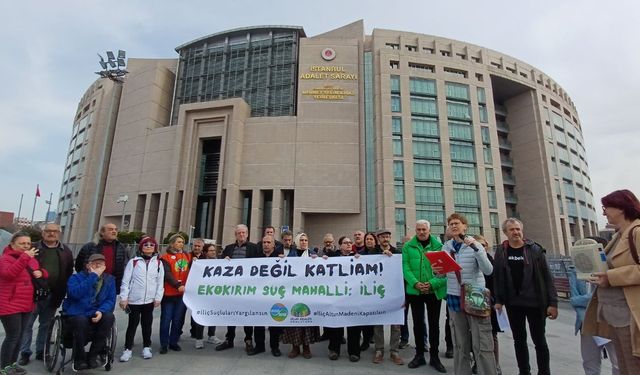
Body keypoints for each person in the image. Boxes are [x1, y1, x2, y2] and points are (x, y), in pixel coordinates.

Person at [584, 189, 640, 372]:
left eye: (606, 207)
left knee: (632, 366)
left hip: (630, 316)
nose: (603, 212)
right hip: (614, 315)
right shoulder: (618, 235)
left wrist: (611, 278)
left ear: (621, 208)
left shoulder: (637, 232)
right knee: (624, 366)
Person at [494, 218, 558, 375]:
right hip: (513, 304)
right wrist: (499, 300)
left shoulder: (534, 250)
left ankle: (544, 372)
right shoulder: (501, 251)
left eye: (518, 229)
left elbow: (547, 277)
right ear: (505, 233)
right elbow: (498, 276)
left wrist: (553, 303)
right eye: (512, 230)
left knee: (539, 341)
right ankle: (524, 371)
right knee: (519, 340)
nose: (516, 232)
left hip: (536, 303)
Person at [439, 213, 496, 375]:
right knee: (460, 342)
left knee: (482, 342)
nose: (454, 226)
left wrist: (477, 249)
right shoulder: (446, 247)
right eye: (451, 224)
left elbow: (488, 270)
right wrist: (437, 271)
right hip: (454, 296)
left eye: (457, 223)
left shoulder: (475, 244)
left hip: (475, 296)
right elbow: (442, 274)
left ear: (465, 226)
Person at [19, 223, 73, 366]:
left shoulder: (65, 251)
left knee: (46, 325)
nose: (51, 233)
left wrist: (63, 292)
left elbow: (68, 272)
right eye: (48, 231)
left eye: (54, 231)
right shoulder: (33, 248)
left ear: (59, 233)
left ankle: (41, 351)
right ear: (43, 233)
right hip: (32, 294)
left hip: (53, 294)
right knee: (27, 325)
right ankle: (25, 352)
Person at [402, 219, 447, 372]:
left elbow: (444, 270)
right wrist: (415, 283)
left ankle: (434, 356)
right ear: (415, 230)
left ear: (429, 230)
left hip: (433, 291)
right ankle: (419, 354)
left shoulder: (439, 246)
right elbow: (405, 267)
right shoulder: (408, 246)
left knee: (434, 324)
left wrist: (432, 283)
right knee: (418, 323)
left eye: (424, 230)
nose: (421, 232)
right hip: (415, 292)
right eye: (419, 229)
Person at [1, 232, 48, 375]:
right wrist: (25, 257)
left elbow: (38, 272)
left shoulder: (31, 259)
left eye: (28, 244)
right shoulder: (5, 259)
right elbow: (9, 274)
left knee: (20, 335)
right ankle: (4, 367)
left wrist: (42, 272)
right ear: (12, 244)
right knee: (12, 336)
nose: (26, 246)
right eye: (22, 243)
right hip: (9, 304)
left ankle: (13, 363)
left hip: (27, 303)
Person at [567, 251, 620, 374]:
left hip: (609, 321)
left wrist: (589, 298)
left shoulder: (610, 272)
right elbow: (574, 300)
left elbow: (610, 297)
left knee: (618, 363)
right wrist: (593, 298)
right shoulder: (576, 272)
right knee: (590, 362)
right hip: (586, 323)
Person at [62, 253, 116, 371]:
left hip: (96, 312)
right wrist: (93, 276)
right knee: (80, 321)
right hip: (78, 312)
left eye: (101, 264)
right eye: (95, 263)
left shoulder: (110, 280)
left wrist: (101, 311)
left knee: (109, 317)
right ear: (88, 266)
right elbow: (75, 294)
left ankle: (93, 355)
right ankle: (79, 358)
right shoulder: (75, 278)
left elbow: (110, 300)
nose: (98, 266)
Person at [118, 236, 164, 362]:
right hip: (134, 300)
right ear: (141, 247)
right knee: (132, 325)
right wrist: (124, 298)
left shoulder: (158, 263)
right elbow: (126, 281)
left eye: (151, 245)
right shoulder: (134, 262)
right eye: (146, 245)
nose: (149, 246)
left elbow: (160, 283)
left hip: (149, 301)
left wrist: (158, 297)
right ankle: (127, 349)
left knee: (147, 324)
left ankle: (146, 347)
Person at [216, 224, 259, 352]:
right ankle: (229, 340)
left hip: (247, 288)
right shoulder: (228, 248)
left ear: (247, 234)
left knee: (247, 314)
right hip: (232, 288)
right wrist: (224, 259)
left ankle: (248, 340)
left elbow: (261, 264)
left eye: (244, 233)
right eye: (239, 233)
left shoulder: (254, 248)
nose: (241, 235)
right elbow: (219, 264)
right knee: (231, 314)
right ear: (235, 234)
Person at [282, 233, 319, 359]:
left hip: (308, 294)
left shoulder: (313, 254)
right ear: (297, 241)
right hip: (294, 293)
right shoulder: (291, 255)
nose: (304, 242)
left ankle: (307, 347)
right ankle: (295, 347)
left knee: (307, 320)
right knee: (294, 319)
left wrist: (322, 259)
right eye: (301, 240)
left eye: (306, 240)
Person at [371, 229, 404, 365]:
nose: (386, 239)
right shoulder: (372, 252)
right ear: (378, 238)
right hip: (377, 292)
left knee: (395, 324)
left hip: (394, 292)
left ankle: (394, 351)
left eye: (388, 237)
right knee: (378, 322)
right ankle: (379, 350)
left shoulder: (397, 252)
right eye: (383, 237)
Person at [248, 235, 284, 357]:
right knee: (258, 321)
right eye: (264, 242)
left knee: (274, 323)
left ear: (274, 244)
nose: (266, 244)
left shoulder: (280, 257)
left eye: (269, 242)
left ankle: (275, 347)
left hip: (274, 295)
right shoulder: (256, 257)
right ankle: (259, 346)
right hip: (259, 295)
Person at [473, 234, 502, 375]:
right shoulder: (472, 261)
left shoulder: (492, 262)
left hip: (491, 302)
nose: (481, 248)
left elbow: (498, 284)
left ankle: (494, 364)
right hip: (475, 300)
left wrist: (498, 301)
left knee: (492, 335)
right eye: (477, 245)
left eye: (483, 245)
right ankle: (477, 363)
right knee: (474, 334)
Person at [346, 232, 378, 361]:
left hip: (370, 291)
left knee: (367, 320)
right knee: (355, 322)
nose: (369, 241)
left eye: (371, 239)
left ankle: (366, 340)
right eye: (367, 239)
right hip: (354, 293)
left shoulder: (379, 252)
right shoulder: (360, 254)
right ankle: (354, 348)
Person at [159, 233, 191, 354]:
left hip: (182, 295)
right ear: (172, 243)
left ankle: (173, 342)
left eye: (182, 242)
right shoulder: (165, 258)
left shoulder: (187, 256)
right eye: (178, 242)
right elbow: (167, 274)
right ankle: (164, 343)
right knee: (166, 319)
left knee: (178, 319)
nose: (180, 244)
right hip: (169, 294)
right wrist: (177, 285)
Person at [75, 223, 130, 294]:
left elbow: (124, 266)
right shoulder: (89, 246)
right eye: (110, 229)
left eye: (115, 230)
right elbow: (78, 265)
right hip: (91, 283)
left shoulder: (121, 248)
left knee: (108, 304)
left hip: (111, 285)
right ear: (102, 233)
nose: (114, 231)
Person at [323, 236, 351, 360]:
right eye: (346, 243)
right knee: (336, 324)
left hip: (352, 295)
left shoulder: (358, 257)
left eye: (350, 243)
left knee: (353, 326)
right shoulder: (332, 256)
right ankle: (334, 350)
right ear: (340, 246)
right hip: (336, 295)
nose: (349, 245)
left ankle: (353, 351)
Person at [200, 243, 223, 346]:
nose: (213, 252)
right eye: (211, 250)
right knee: (201, 315)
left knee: (213, 315)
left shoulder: (219, 263)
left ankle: (211, 335)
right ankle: (199, 338)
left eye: (214, 250)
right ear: (205, 252)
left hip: (215, 294)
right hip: (203, 294)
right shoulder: (200, 263)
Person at [189, 238, 206, 347]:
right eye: (195, 246)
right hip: (190, 290)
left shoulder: (206, 258)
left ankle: (199, 337)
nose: (196, 248)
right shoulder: (187, 257)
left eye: (199, 246)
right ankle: (193, 331)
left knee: (200, 312)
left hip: (203, 291)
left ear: (202, 247)